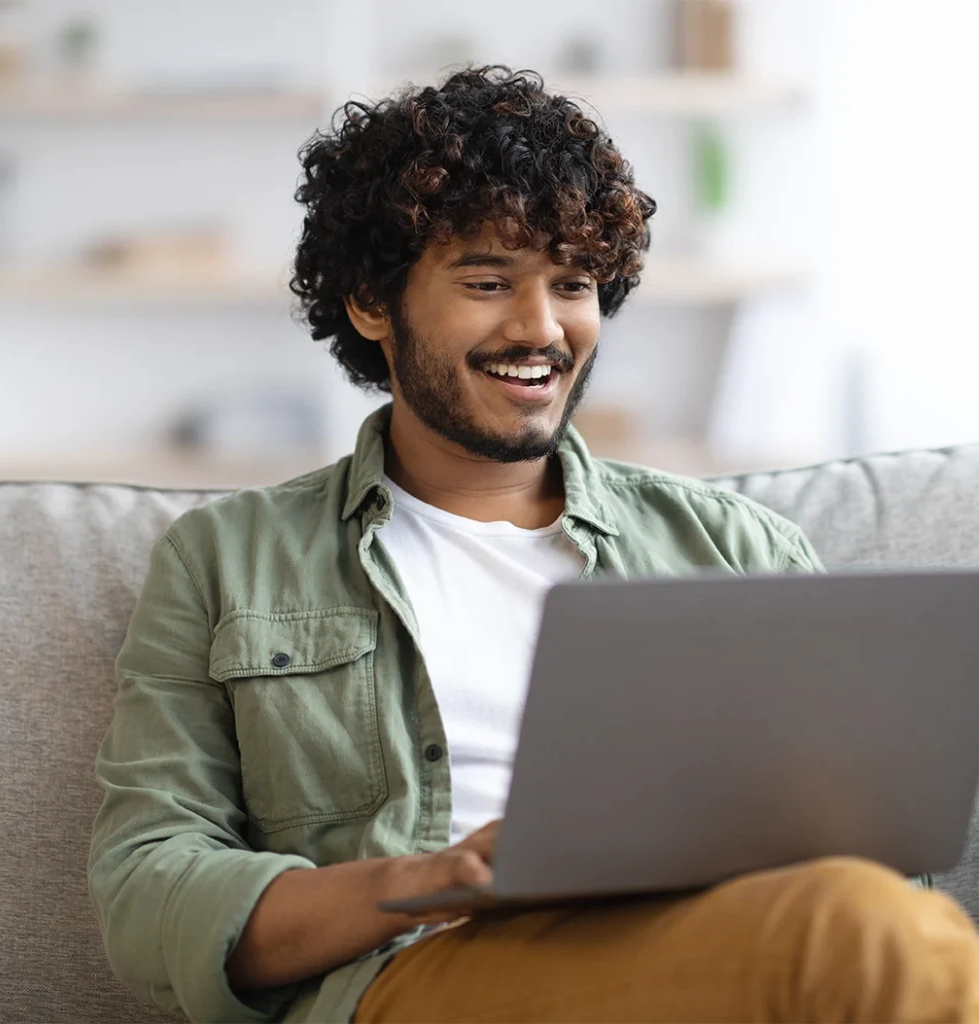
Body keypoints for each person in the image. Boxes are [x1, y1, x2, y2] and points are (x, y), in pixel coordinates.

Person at [88, 65, 979, 1024]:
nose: (542, 327)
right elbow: (149, 888)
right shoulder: (227, 558)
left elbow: (879, 847)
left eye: (574, 284)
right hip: (413, 974)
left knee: (873, 920)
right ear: (370, 303)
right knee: (870, 936)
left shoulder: (734, 546)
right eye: (487, 282)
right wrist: (437, 877)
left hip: (713, 956)